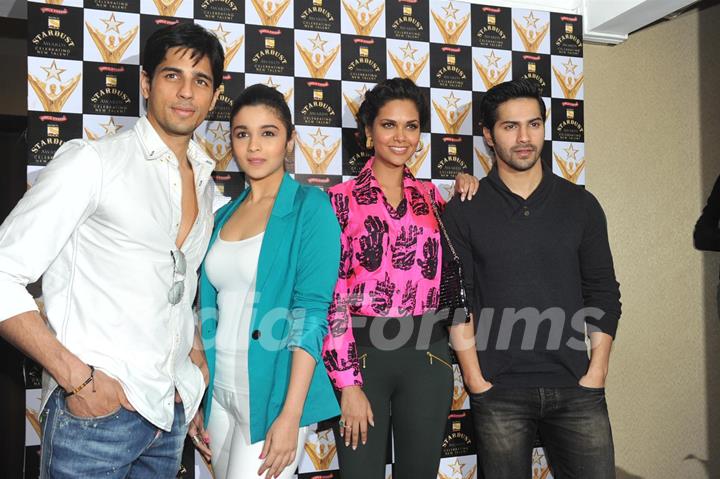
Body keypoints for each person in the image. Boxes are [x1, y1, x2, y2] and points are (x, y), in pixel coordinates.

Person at [0, 23, 224, 478]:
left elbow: (178, 285)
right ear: (145, 82)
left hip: (169, 413)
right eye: (171, 75)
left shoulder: (206, 180)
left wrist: (193, 357)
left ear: (214, 96)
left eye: (200, 81)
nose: (185, 92)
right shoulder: (94, 163)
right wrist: (78, 379)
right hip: (96, 418)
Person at [443, 78, 622, 479]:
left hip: (579, 386)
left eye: (534, 124)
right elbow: (458, 301)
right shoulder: (464, 209)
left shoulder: (581, 205)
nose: (524, 138)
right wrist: (476, 380)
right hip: (499, 391)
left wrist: (598, 371)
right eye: (510, 126)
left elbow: (603, 291)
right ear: (488, 135)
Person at [321, 77, 479, 479]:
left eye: (411, 126)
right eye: (388, 125)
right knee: (360, 474)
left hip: (428, 353)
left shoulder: (435, 198)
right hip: (363, 356)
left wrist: (468, 183)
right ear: (369, 133)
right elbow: (331, 295)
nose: (400, 136)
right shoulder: (338, 200)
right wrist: (348, 383)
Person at [192, 84, 342, 479]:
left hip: (275, 396)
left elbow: (311, 314)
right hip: (219, 396)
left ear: (290, 141)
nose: (254, 146)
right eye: (243, 133)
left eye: (268, 133)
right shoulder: (222, 216)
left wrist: (291, 415)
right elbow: (209, 310)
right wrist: (199, 399)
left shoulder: (311, 207)